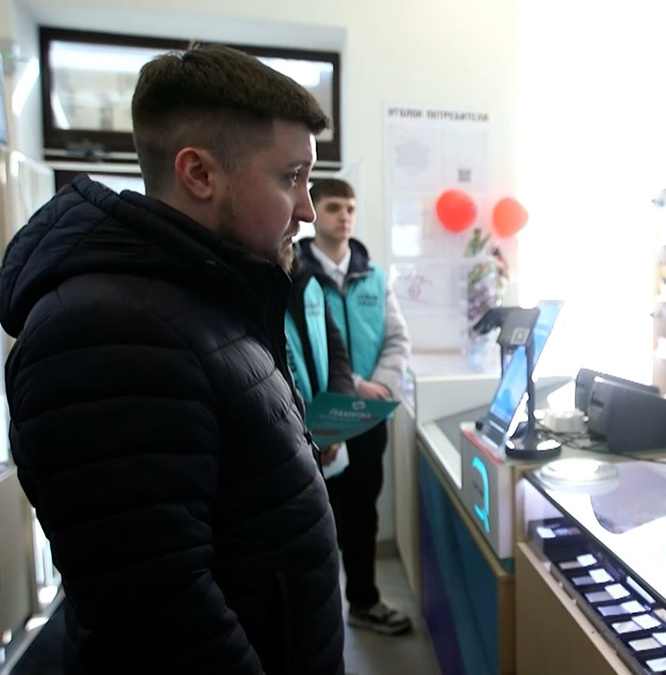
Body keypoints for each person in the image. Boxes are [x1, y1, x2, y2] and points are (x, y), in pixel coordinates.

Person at [0, 45, 344, 674]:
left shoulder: (205, 298)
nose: (306, 209)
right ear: (199, 173)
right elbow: (163, 623)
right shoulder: (104, 333)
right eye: (292, 177)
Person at [296, 179, 414, 635]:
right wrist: (355, 385)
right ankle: (318, 619)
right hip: (316, 420)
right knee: (316, 518)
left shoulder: (374, 276)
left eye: (350, 208)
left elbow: (398, 339)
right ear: (314, 212)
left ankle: (363, 602)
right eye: (333, 207)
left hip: (367, 419)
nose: (344, 216)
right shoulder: (294, 272)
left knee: (363, 514)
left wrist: (379, 385)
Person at [282, 243, 356, 471]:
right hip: (288, 440)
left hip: (327, 441)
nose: (294, 227)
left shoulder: (310, 281)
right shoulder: (251, 289)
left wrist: (334, 424)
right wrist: (309, 430)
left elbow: (337, 355)